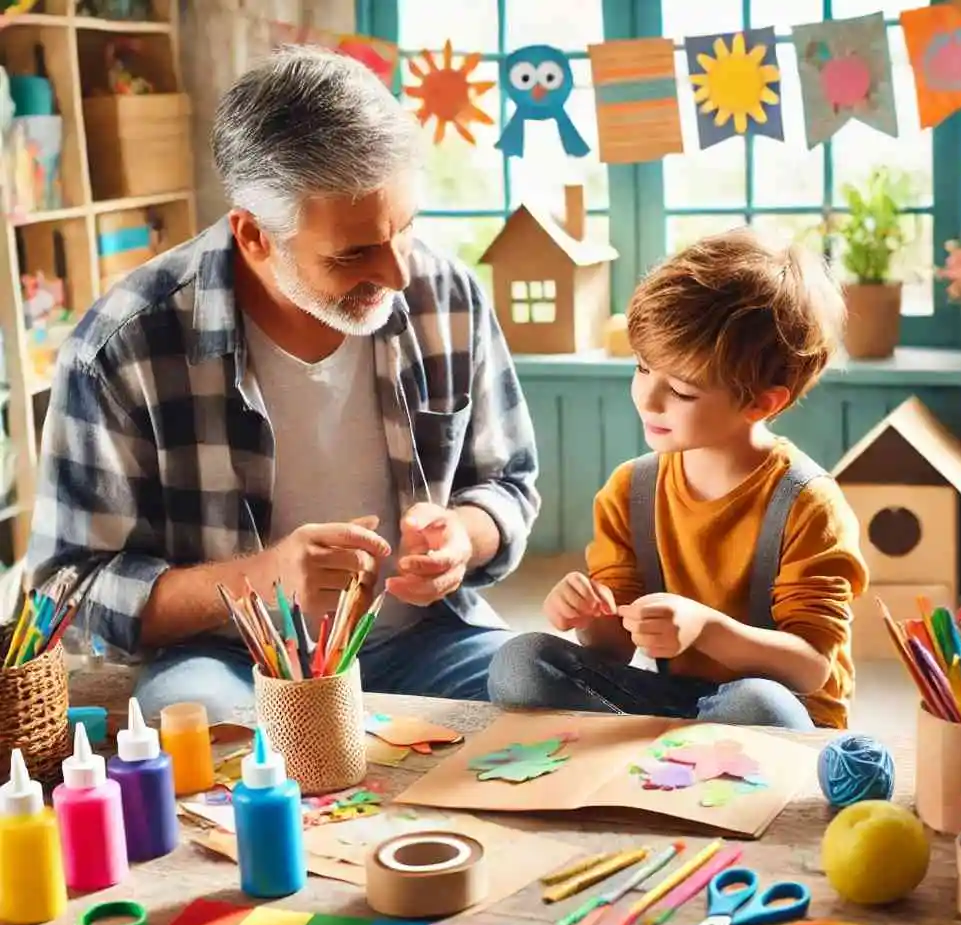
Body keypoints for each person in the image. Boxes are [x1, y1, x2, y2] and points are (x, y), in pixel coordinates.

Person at [26, 47, 540, 722]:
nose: (398, 275)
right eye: (354, 253)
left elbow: (508, 483)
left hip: (426, 639)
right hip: (232, 658)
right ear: (253, 235)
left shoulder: (449, 296)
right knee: (204, 730)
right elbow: (68, 587)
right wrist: (261, 580)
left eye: (405, 230)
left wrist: (462, 539)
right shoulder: (121, 346)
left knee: (547, 689)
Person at [489, 228, 868, 730]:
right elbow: (613, 649)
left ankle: (668, 754)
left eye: (682, 392)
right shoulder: (632, 490)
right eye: (643, 368)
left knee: (758, 705)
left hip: (779, 709)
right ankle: (671, 757)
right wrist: (586, 613)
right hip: (678, 702)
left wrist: (706, 629)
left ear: (761, 402)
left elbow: (811, 667)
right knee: (521, 662)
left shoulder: (807, 504)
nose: (648, 399)